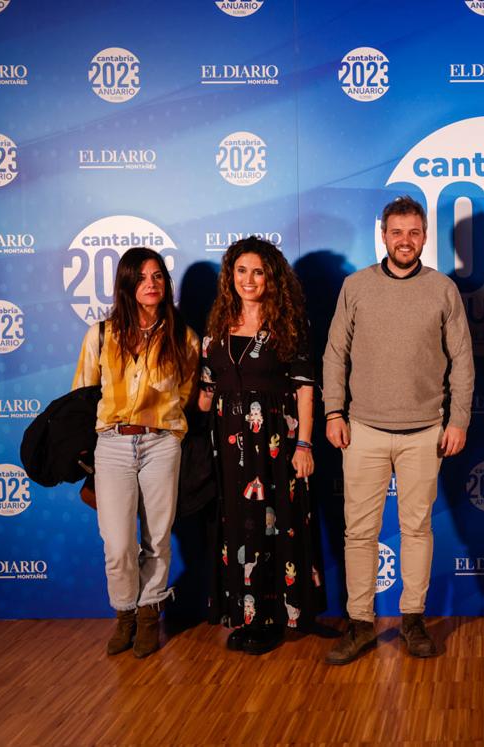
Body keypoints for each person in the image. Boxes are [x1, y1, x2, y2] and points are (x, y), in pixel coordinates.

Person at [322, 195, 474, 663]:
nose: (404, 241)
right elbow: (334, 355)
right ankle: (361, 622)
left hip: (424, 432)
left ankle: (412, 619)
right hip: (363, 428)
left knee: (416, 530)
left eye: (413, 232)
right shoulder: (356, 286)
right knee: (359, 533)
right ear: (383, 235)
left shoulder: (443, 289)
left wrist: (459, 420)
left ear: (425, 237)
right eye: (396, 232)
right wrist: (333, 413)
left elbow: (462, 361)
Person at [199, 237, 326, 655]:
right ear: (229, 276)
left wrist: (304, 444)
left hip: (275, 441)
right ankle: (245, 615)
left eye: (257, 271)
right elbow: (205, 389)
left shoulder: (287, 325)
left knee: (277, 523)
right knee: (237, 527)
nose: (248, 279)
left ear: (271, 277)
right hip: (227, 445)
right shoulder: (217, 324)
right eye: (240, 271)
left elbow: (306, 389)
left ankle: (276, 616)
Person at [72, 246, 199, 658]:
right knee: (117, 544)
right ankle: (124, 613)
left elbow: (185, 393)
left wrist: (172, 435)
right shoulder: (101, 334)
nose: (151, 284)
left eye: (158, 276)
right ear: (127, 283)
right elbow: (83, 396)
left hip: (161, 442)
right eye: (142, 277)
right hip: (112, 444)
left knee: (158, 539)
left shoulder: (184, 336)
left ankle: (149, 614)